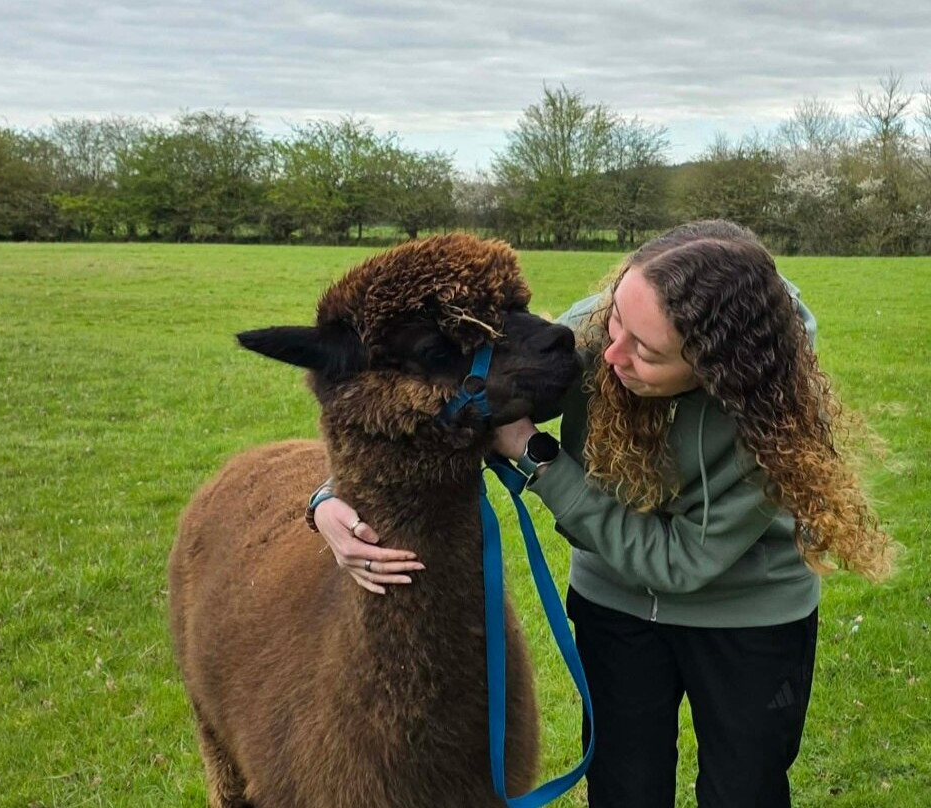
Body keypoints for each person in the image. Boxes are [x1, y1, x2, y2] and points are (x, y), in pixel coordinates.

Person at [310, 220, 896, 808]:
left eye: (646, 351)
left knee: (744, 790)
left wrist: (539, 459)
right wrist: (329, 499)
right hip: (615, 606)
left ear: (718, 370)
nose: (609, 353)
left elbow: (681, 563)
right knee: (623, 788)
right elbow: (456, 399)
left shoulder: (774, 416)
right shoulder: (604, 331)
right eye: (617, 316)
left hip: (748, 617)